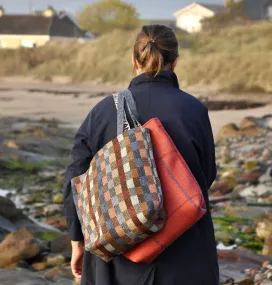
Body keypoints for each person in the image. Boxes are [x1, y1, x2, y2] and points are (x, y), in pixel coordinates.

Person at [63, 25, 218, 285]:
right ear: (175, 62)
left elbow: (74, 180)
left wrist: (77, 241)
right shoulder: (194, 110)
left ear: (133, 61)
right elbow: (207, 175)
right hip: (185, 251)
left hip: (118, 252)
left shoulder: (101, 112)